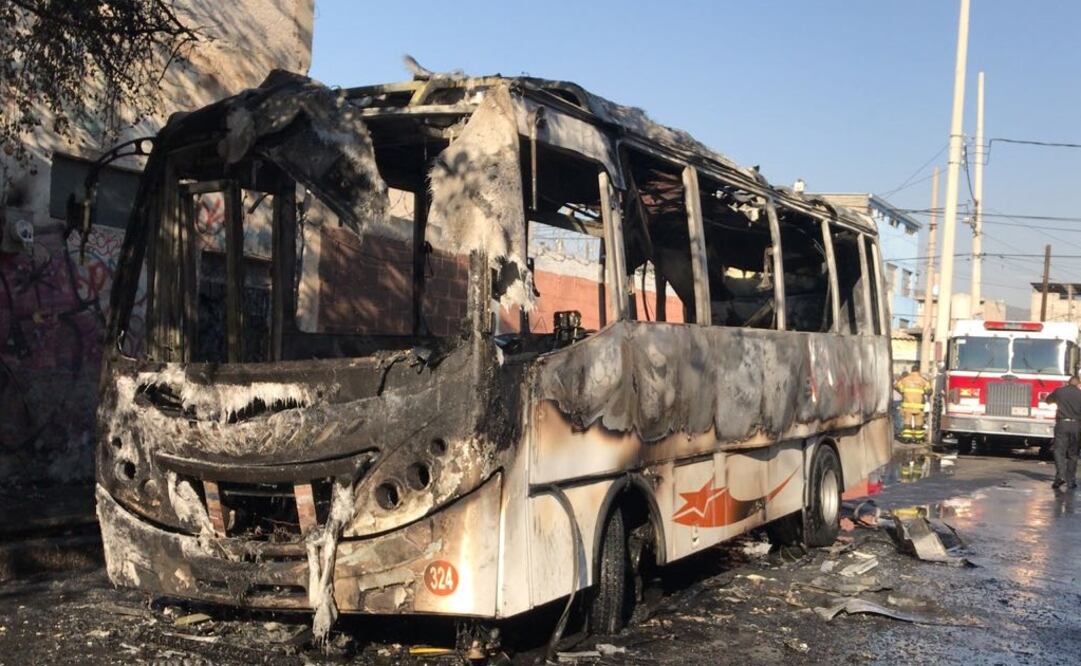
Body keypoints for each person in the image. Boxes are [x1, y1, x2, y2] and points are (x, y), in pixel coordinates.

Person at [1046, 375, 1081, 490]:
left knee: (1059, 451)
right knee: (1073, 454)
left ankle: (1061, 476)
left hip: (1062, 424)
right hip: (1077, 426)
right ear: (1078, 384)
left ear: (1068, 382)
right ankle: (1071, 480)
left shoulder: (1060, 391)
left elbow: (1048, 400)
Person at [895, 364, 931, 442]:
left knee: (907, 420)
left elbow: (896, 386)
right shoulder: (923, 380)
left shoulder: (905, 379)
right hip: (919, 406)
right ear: (918, 371)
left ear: (911, 370)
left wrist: (903, 392)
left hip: (907, 404)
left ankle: (907, 438)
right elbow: (929, 390)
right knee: (919, 421)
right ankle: (918, 439)